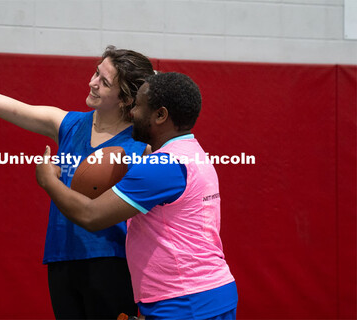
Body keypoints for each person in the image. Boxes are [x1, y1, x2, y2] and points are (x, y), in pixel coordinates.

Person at [0, 46, 155, 319]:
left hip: (112, 263)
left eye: (104, 82)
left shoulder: (142, 147)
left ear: (126, 99)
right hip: (61, 259)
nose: (92, 83)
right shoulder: (66, 124)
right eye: (96, 72)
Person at [36, 72, 238, 320]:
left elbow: (91, 215)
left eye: (138, 106)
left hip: (185, 302)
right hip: (203, 293)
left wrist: (48, 180)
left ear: (160, 115)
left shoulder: (162, 166)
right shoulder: (192, 153)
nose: (131, 113)